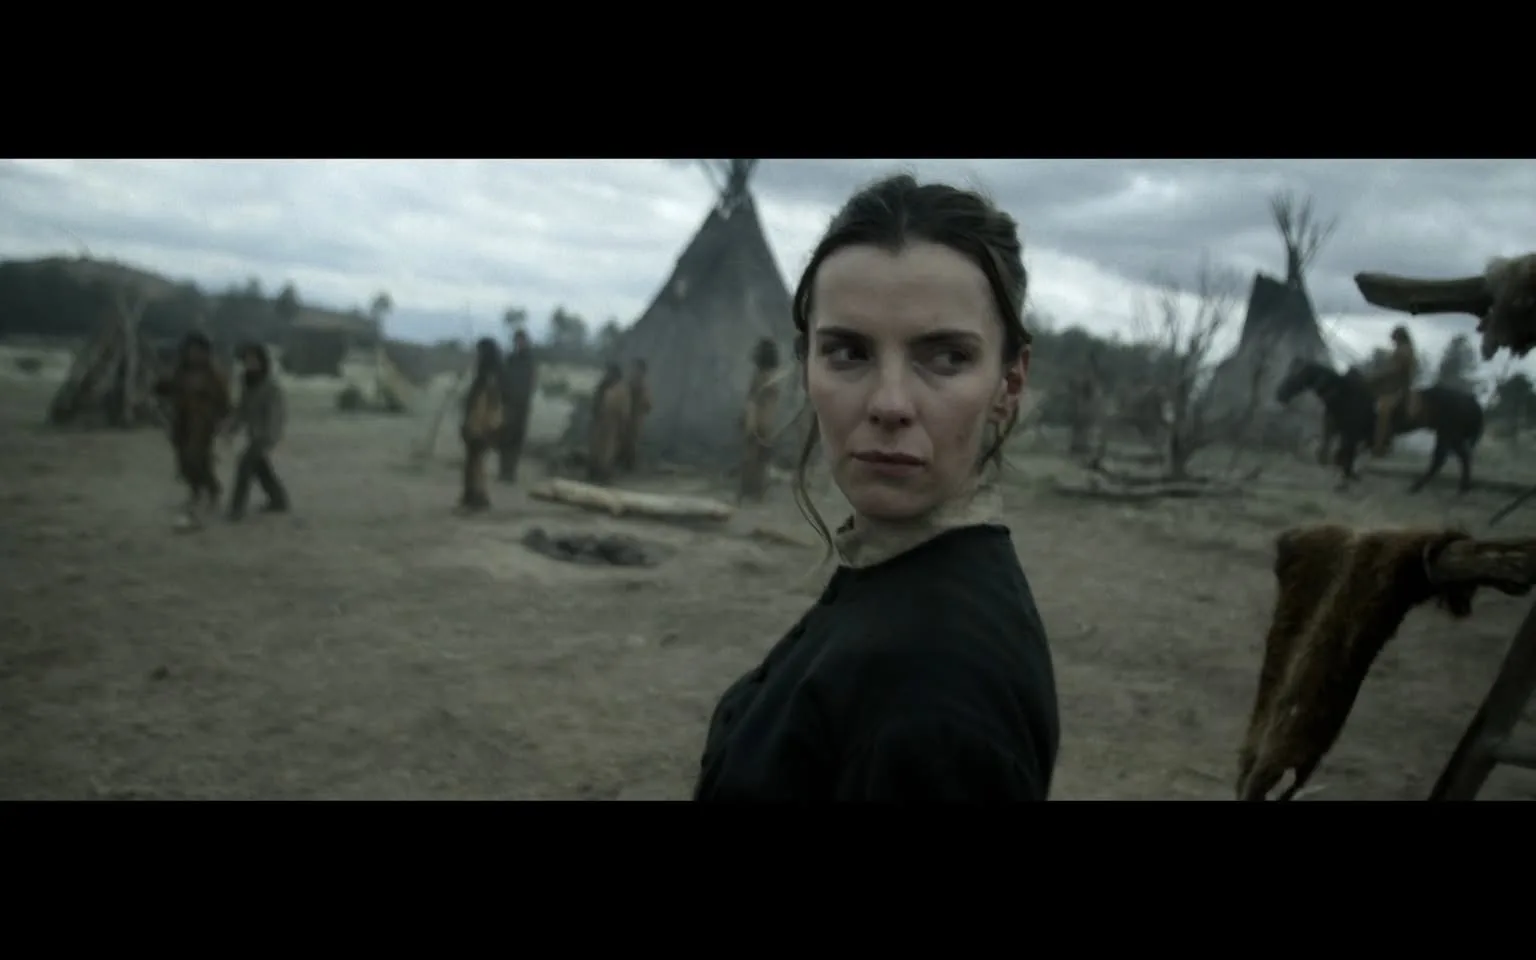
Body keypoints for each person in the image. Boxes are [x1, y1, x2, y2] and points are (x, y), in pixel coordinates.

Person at [693, 174, 1059, 802]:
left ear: (1010, 383)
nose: (890, 404)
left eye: (944, 357)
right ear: (806, 365)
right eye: (848, 353)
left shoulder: (941, 686)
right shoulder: (894, 576)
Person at [153, 332, 232, 526]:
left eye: (198, 351)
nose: (194, 355)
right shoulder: (180, 371)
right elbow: (168, 388)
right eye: (191, 351)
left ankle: (211, 491)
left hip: (203, 422)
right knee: (183, 459)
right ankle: (196, 491)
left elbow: (224, 401)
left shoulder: (213, 375)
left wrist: (222, 421)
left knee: (197, 456)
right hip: (182, 420)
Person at [225, 342, 290, 520]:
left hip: (266, 434)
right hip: (254, 433)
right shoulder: (247, 382)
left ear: (262, 361)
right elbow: (243, 409)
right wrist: (232, 427)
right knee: (261, 468)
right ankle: (278, 500)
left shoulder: (270, 386)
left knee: (245, 465)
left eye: (254, 359)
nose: (250, 363)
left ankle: (236, 509)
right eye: (247, 360)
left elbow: (276, 414)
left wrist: (267, 436)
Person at [459, 338, 505, 512]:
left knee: (477, 463)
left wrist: (482, 429)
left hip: (482, 427)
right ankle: (471, 496)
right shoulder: (484, 376)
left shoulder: (490, 379)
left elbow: (488, 407)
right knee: (472, 463)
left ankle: (477, 498)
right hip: (476, 425)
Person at [739, 337, 785, 502]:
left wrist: (753, 423)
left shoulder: (765, 378)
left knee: (755, 458)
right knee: (756, 459)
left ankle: (753, 492)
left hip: (760, 421)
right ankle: (752, 492)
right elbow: (755, 401)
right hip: (763, 421)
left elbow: (756, 401)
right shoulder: (766, 377)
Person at [1370, 324, 1419, 457]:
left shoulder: (1404, 351)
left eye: (1394, 337)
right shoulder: (1401, 350)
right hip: (1392, 387)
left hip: (1399, 389)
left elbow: (1394, 371)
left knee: (1383, 410)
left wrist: (1376, 377)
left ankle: (1380, 445)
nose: (1392, 340)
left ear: (1399, 337)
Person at [498, 328, 537, 484]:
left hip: (521, 405)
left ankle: (511, 472)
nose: (519, 343)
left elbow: (530, 382)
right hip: (508, 404)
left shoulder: (529, 361)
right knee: (505, 438)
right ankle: (504, 471)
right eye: (517, 341)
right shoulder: (510, 359)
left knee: (517, 439)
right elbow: (503, 378)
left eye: (521, 340)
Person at [587, 362, 630, 484]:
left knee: (608, 451)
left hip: (613, 424)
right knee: (595, 448)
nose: (607, 374)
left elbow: (624, 409)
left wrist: (622, 426)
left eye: (610, 372)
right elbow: (596, 401)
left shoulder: (622, 389)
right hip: (599, 422)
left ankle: (604, 476)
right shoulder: (603, 386)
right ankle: (593, 472)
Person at [616, 358, 651, 474]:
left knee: (632, 443)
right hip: (625, 417)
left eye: (637, 369)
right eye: (634, 369)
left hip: (635, 419)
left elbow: (648, 405)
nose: (634, 371)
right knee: (621, 440)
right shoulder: (629, 384)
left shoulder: (643, 386)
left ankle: (628, 467)